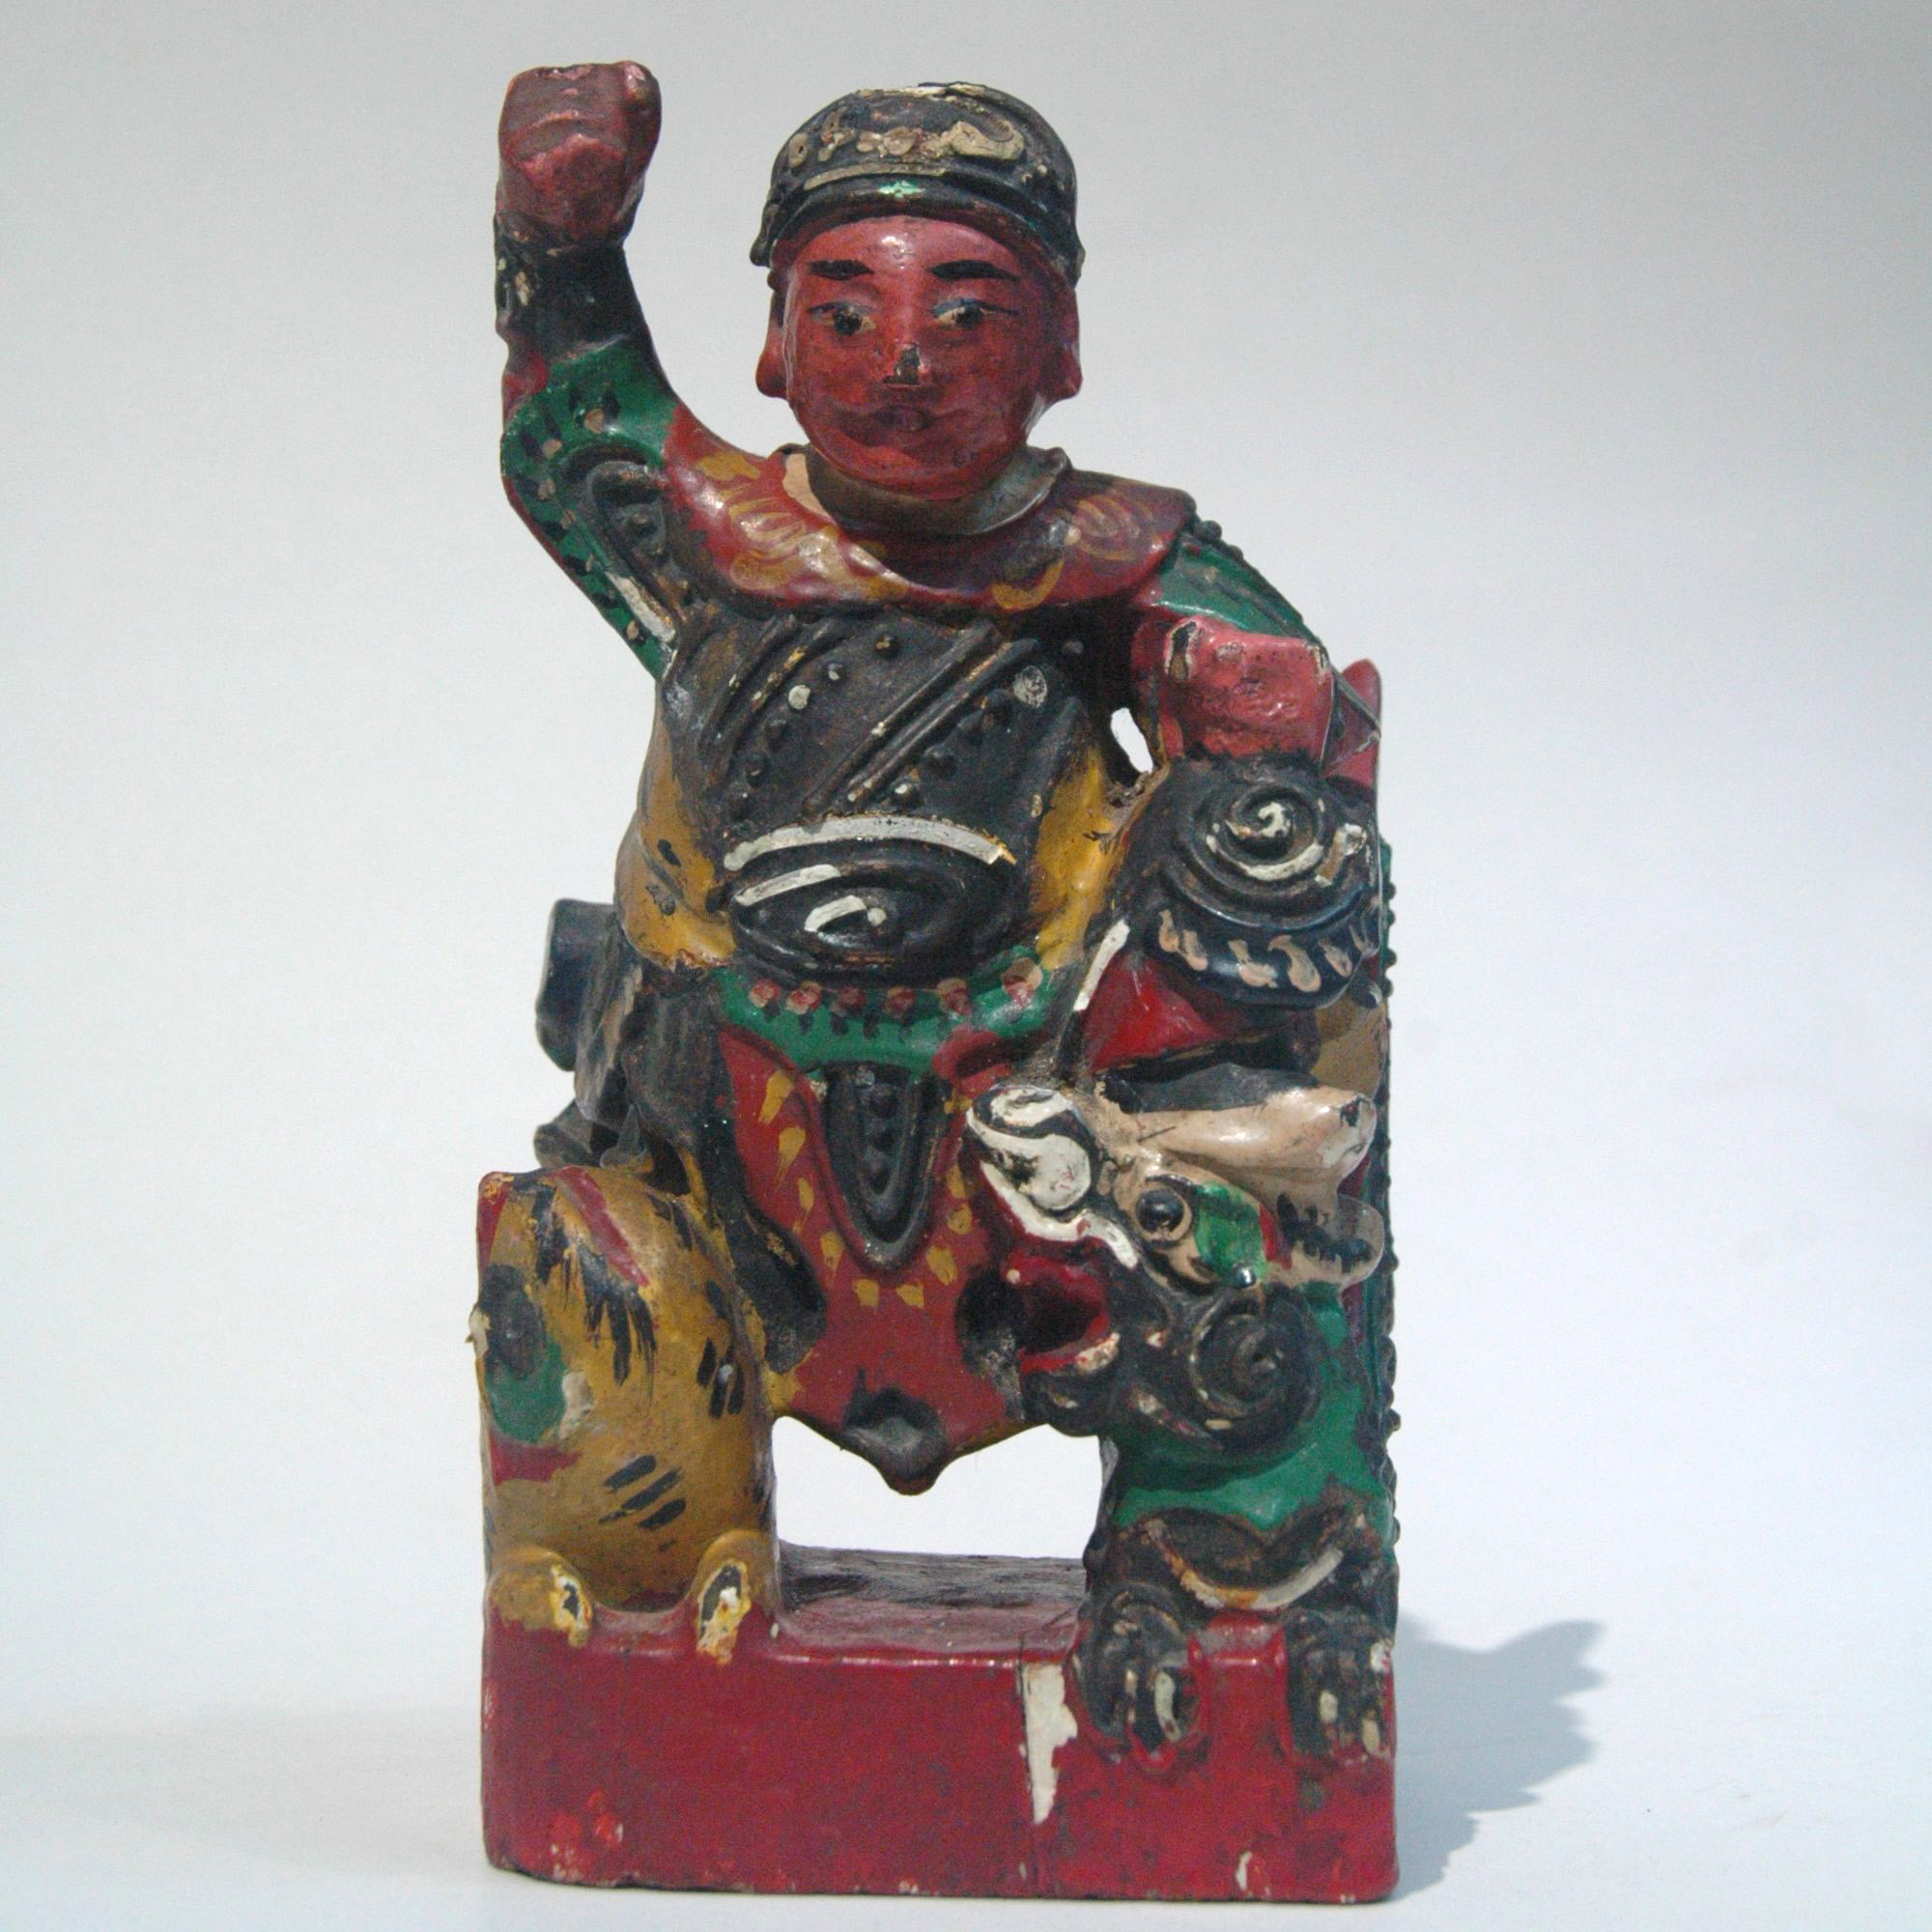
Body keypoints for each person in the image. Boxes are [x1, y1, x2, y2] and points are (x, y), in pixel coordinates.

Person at [474, 63, 1394, 1749]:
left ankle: (1235, 1565)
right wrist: (562, 239)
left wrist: (1250, 730)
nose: (904, 357)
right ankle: (643, 1569)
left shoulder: (1111, 560)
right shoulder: (713, 539)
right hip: (727, 1089)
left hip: (1034, 1093)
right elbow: (576, 424)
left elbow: (1291, 723)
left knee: (1244, 1183)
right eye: (845, 311)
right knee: (609, 1287)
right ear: (774, 346)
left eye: (967, 314)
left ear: (1059, 352)